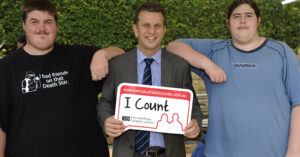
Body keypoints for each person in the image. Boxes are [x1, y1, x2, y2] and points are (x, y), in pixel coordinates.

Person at [166, 0, 300, 157]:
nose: (242, 20)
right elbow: (173, 47)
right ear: (228, 23)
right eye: (236, 16)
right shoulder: (214, 51)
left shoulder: (282, 52)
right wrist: (207, 64)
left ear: (259, 20)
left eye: (248, 15)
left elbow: (298, 104)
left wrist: (294, 152)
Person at [0, 0, 124, 157]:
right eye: (34, 22)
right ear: (24, 25)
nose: (42, 29)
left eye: (48, 22)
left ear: (56, 26)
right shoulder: (5, 68)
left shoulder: (80, 58)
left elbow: (122, 55)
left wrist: (104, 53)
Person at [97, 2, 221, 157]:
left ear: (164, 30)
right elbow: (106, 101)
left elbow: (192, 105)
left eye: (157, 26)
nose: (152, 31)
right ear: (136, 30)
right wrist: (107, 119)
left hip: (168, 153)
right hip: (128, 152)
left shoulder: (180, 66)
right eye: (146, 25)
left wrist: (194, 123)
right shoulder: (117, 65)